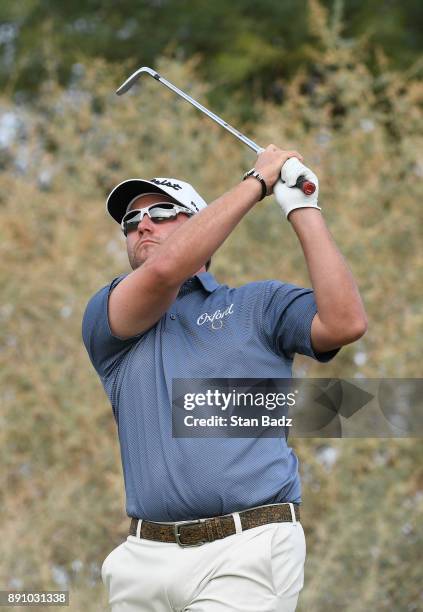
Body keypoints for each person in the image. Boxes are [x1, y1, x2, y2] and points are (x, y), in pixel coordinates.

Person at [82, 145, 367, 611]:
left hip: (248, 548)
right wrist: (256, 181)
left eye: (161, 212)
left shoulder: (258, 305)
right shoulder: (108, 315)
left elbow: (345, 323)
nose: (142, 226)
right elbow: (164, 271)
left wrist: (301, 207)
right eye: (131, 223)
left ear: (201, 223)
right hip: (142, 560)